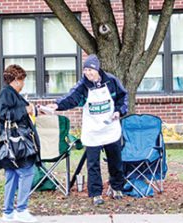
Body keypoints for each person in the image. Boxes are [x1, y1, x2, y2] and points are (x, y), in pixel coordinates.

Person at [47, 54, 128, 205]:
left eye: (90, 70)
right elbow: (71, 98)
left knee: (115, 161)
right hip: (92, 131)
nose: (88, 73)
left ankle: (117, 187)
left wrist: (119, 111)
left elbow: (123, 98)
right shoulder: (83, 86)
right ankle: (96, 193)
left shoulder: (111, 81)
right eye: (85, 70)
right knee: (93, 164)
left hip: (110, 129)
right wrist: (56, 105)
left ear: (97, 69)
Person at [0, 64, 39, 222]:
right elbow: (3, 114)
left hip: (9, 144)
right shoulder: (8, 93)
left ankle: (7, 213)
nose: (24, 84)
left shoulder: (9, 93)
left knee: (12, 175)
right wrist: (24, 110)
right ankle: (21, 209)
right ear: (17, 80)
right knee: (27, 172)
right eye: (23, 80)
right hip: (16, 143)